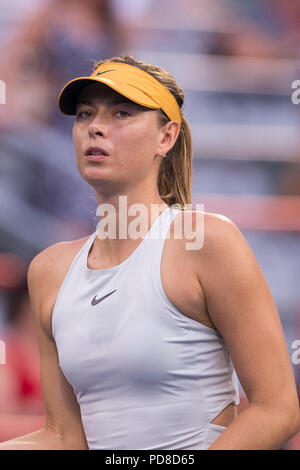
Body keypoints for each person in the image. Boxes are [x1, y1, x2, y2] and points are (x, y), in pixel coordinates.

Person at [0, 55, 299, 450]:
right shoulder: (48, 270)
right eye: (86, 114)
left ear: (167, 136)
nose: (96, 128)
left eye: (121, 113)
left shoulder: (206, 241)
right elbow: (64, 437)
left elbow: (278, 408)